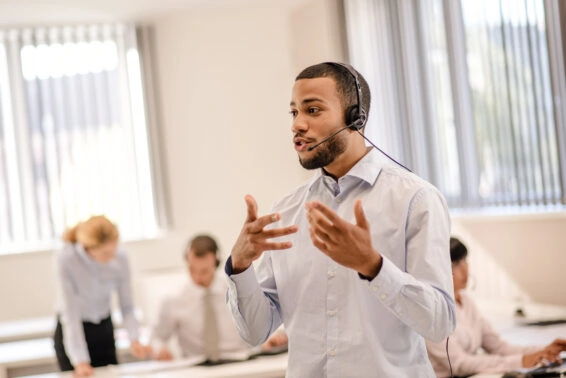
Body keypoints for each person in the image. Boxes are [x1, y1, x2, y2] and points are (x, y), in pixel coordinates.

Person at [224, 62, 456, 377]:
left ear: (355, 118)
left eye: (313, 110)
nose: (298, 125)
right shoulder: (287, 211)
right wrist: (240, 267)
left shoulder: (414, 200)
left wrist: (373, 266)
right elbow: (255, 332)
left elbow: (440, 322)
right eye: (294, 113)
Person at [426, 237, 566, 377]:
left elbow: (500, 348)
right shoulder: (433, 312)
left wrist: (545, 351)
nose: (464, 268)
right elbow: (460, 364)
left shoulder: (467, 302)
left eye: (464, 260)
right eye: (455, 264)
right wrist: (521, 361)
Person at [150, 234, 288, 362]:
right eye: (192, 269)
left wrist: (271, 338)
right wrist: (160, 350)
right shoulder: (173, 300)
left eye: (204, 271)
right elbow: (157, 338)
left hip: (241, 363)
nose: (197, 277)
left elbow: (257, 322)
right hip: (197, 369)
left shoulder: (236, 291)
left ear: (216, 263)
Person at [53, 215, 150, 376]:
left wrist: (134, 339)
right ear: (88, 248)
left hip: (103, 327)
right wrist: (80, 361)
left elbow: (127, 306)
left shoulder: (120, 256)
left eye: (114, 250)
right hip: (73, 330)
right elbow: (70, 313)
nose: (111, 257)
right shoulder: (66, 259)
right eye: (105, 253)